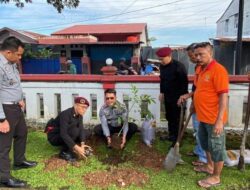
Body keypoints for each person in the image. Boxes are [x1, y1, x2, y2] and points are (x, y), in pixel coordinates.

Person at [0, 36, 37, 188]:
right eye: (19, 54)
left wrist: (20, 98)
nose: (20, 58)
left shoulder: (12, 63)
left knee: (22, 132)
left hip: (16, 107)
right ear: (9, 52)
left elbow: (12, 85)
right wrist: (1, 119)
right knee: (4, 145)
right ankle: (4, 177)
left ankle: (19, 161)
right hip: (5, 109)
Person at [192, 42, 229, 188]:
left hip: (214, 118)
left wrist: (220, 121)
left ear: (211, 54)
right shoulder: (200, 69)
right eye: (196, 55)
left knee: (217, 147)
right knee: (205, 143)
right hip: (202, 116)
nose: (198, 57)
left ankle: (216, 176)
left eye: (201, 54)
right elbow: (199, 90)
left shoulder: (218, 70)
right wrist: (194, 105)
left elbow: (223, 96)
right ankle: (209, 166)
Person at [178, 43, 207, 166]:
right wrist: (190, 96)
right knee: (197, 129)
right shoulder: (198, 68)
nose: (191, 58)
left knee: (201, 130)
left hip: (204, 105)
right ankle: (198, 150)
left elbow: (204, 89)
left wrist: (193, 99)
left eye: (193, 56)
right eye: (191, 56)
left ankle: (203, 158)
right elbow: (197, 87)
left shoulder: (210, 69)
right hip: (197, 100)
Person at [156, 47, 188, 144]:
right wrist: (162, 92)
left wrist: (182, 97)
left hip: (178, 97)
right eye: (159, 59)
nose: (161, 61)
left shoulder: (179, 66)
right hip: (167, 96)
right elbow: (162, 80)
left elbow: (184, 83)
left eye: (162, 59)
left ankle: (178, 140)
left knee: (177, 118)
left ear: (169, 56)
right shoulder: (162, 66)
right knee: (169, 116)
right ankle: (171, 135)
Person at [46, 97, 92, 162]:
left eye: (86, 108)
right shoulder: (65, 114)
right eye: (82, 107)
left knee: (87, 132)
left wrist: (82, 144)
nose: (84, 110)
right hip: (54, 136)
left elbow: (81, 129)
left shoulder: (79, 115)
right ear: (75, 105)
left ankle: (73, 145)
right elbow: (63, 134)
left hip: (66, 133)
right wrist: (77, 148)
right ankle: (64, 152)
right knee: (74, 131)